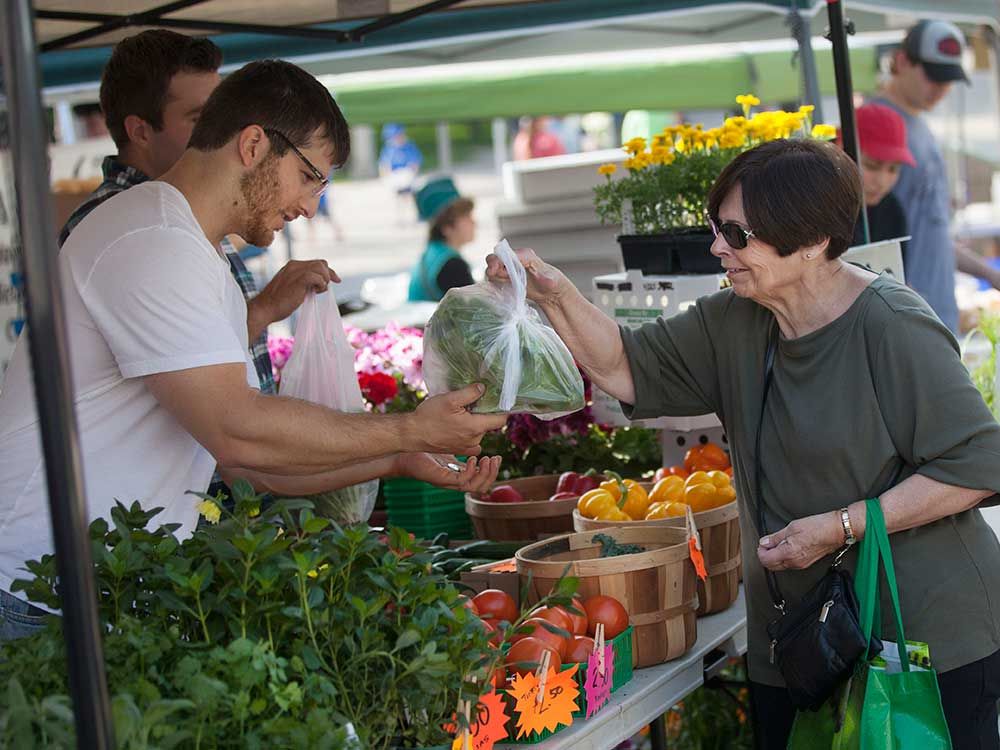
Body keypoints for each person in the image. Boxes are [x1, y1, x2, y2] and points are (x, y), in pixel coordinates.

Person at [487, 139, 1000, 749]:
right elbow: (627, 364)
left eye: (737, 233)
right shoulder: (736, 319)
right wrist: (552, 293)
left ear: (811, 242)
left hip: (918, 646)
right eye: (716, 227)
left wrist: (844, 524)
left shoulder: (892, 326)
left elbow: (980, 463)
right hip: (803, 645)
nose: (716, 248)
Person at [0, 60, 506, 641]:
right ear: (254, 144)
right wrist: (409, 432)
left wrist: (396, 460)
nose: (311, 206)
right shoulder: (152, 239)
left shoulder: (195, 249)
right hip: (35, 595)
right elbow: (238, 431)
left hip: (94, 590)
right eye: (311, 177)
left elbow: (243, 464)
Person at [872, 19, 1000, 333]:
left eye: (948, 78)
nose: (942, 88)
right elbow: (875, 235)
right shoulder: (879, 127)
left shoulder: (920, 128)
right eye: (932, 76)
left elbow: (932, 235)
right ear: (901, 62)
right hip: (910, 322)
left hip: (935, 315)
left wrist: (988, 273)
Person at [849, 102, 913, 248]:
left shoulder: (893, 212)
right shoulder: (821, 210)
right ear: (842, 152)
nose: (882, 182)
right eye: (871, 166)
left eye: (893, 169)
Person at [408, 176, 475, 301]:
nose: (473, 222)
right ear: (446, 226)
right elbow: (474, 312)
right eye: (466, 217)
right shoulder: (452, 266)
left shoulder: (434, 254)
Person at [379, 123, 423, 225]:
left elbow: (415, 163)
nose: (398, 139)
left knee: (411, 194)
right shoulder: (389, 149)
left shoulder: (410, 147)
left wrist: (411, 175)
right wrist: (388, 177)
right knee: (399, 197)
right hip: (396, 177)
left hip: (408, 175)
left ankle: (416, 215)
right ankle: (400, 218)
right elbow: (384, 165)